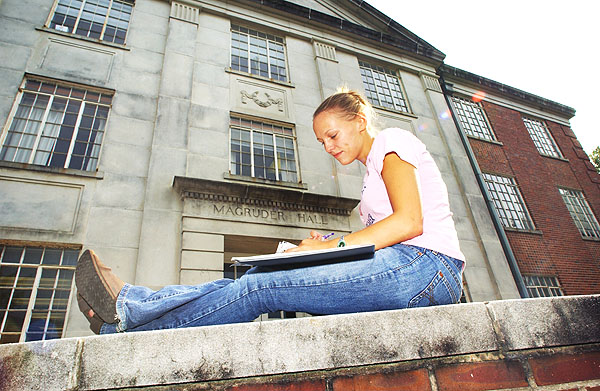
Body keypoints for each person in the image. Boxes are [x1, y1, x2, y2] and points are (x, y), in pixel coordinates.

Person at [75, 89, 465, 334]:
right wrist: (325, 243)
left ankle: (128, 317)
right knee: (258, 273)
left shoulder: (392, 141)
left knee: (264, 287)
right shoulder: (368, 178)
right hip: (407, 267)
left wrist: (329, 249)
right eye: (320, 141)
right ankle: (134, 304)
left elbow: (409, 222)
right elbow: (378, 240)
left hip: (428, 269)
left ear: (360, 122)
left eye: (333, 135)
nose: (328, 147)